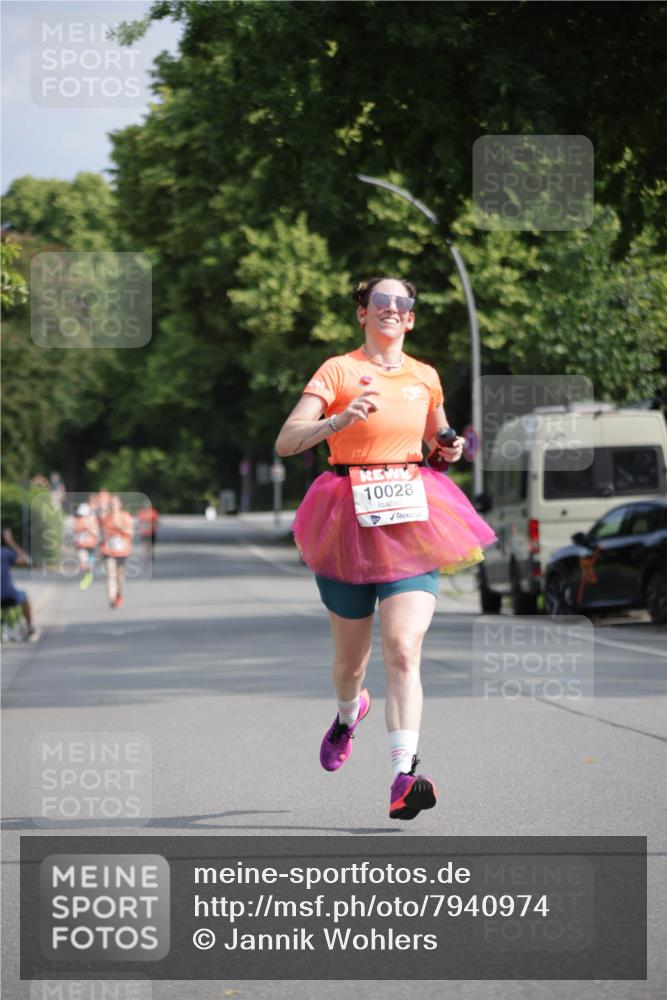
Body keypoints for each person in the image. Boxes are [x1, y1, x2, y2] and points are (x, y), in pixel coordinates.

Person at [275, 276, 496, 820]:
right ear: (363, 313)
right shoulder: (338, 370)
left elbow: (437, 444)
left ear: (412, 317)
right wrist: (339, 419)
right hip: (345, 517)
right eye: (381, 302)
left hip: (411, 518)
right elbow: (286, 440)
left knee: (403, 647)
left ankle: (404, 774)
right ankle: (349, 715)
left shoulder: (425, 376)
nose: (392, 310)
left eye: (402, 303)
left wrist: (450, 447)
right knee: (351, 664)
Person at [1, 527, 37, 639]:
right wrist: (11, 542)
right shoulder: (4, 553)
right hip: (7, 594)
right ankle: (30, 626)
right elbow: (26, 560)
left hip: (6, 594)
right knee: (24, 597)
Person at [100, 495, 134, 609]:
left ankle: (119, 593)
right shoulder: (105, 517)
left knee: (119, 576)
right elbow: (100, 531)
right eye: (111, 504)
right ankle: (111, 599)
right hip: (108, 550)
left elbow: (131, 533)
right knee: (110, 575)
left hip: (122, 551)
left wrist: (120, 527)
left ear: (120, 505)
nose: (113, 506)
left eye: (115, 503)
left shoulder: (125, 516)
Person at [73, 502, 99, 590]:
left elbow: (96, 532)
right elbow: (75, 532)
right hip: (81, 545)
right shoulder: (77, 520)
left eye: (83, 514)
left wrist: (90, 529)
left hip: (91, 546)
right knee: (83, 563)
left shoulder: (93, 520)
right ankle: (86, 576)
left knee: (90, 565)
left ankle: (89, 576)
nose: (81, 516)